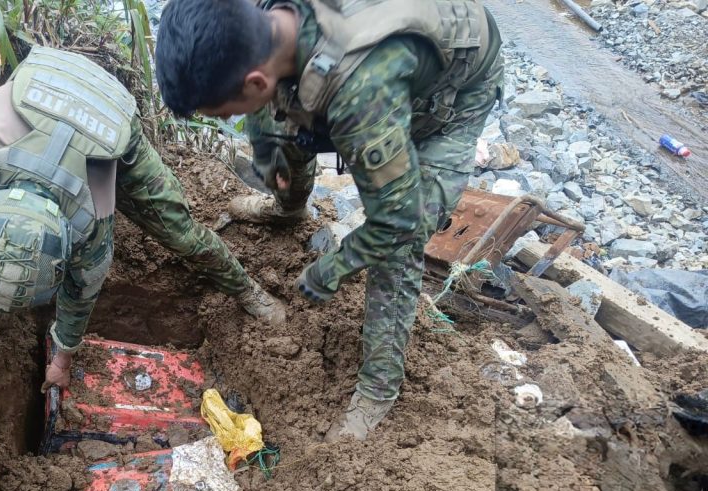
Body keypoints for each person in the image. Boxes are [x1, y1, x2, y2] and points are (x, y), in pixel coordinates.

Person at [0, 46, 285, 392]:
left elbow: (82, 291)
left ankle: (248, 288)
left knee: (182, 235)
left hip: (107, 121)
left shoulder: (91, 221)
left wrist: (62, 361)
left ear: (70, 244)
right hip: (43, 92)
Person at [155, 0, 504, 439]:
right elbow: (273, 108)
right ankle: (288, 210)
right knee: (274, 128)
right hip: (369, 61)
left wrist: (332, 267)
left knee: (399, 246)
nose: (232, 119)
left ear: (256, 79)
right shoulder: (261, 21)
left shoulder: (361, 94)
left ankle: (378, 388)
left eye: (227, 112)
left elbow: (396, 221)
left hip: (453, 91)